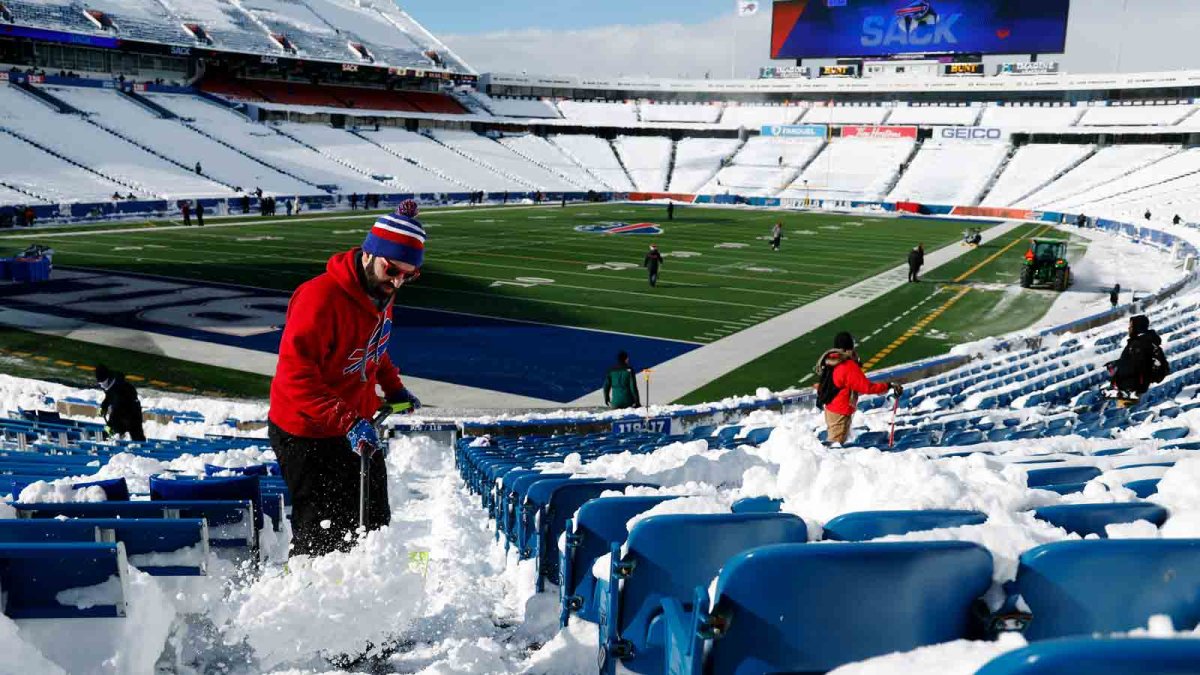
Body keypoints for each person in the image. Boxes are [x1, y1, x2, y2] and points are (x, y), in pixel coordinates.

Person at [269, 200, 425, 557]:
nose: (399, 281)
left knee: (373, 522)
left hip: (353, 425)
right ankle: (305, 599)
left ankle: (366, 594)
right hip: (307, 432)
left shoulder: (381, 293)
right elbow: (297, 379)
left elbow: (373, 347)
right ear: (371, 254)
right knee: (322, 534)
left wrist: (393, 386)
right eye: (393, 269)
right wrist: (349, 421)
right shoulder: (319, 298)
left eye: (409, 275)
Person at [814, 332, 901, 445]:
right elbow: (867, 387)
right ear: (847, 348)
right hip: (840, 411)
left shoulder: (832, 360)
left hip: (832, 408)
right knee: (836, 444)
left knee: (835, 440)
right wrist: (887, 385)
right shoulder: (847, 365)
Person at [1109, 315, 1169, 402]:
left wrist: (1116, 366)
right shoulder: (1146, 341)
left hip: (1131, 390)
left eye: (1131, 326)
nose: (1129, 328)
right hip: (1135, 388)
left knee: (1123, 412)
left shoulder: (1138, 345)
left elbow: (1134, 367)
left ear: (1137, 327)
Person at [95, 364, 145, 442]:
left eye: (102, 382)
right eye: (100, 383)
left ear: (107, 379)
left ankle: (142, 450)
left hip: (132, 414)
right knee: (111, 431)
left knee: (136, 436)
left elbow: (117, 410)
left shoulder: (119, 389)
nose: (101, 385)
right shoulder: (110, 385)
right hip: (121, 412)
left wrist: (110, 425)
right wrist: (103, 407)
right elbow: (109, 397)